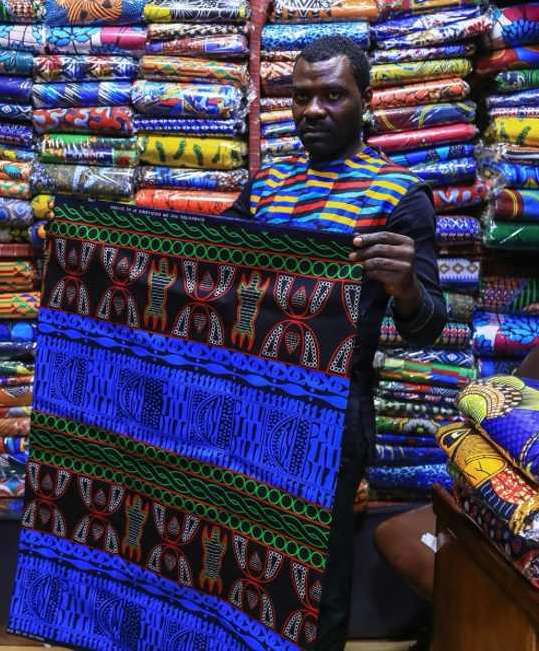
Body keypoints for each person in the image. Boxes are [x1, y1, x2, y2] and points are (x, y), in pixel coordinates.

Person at [223, 36, 448, 648]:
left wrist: (404, 287)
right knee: (244, 563)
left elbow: (427, 325)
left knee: (317, 580)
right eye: (301, 98)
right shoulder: (266, 188)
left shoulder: (400, 195)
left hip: (333, 412)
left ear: (365, 100)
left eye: (331, 95)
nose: (312, 111)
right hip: (254, 404)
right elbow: (207, 274)